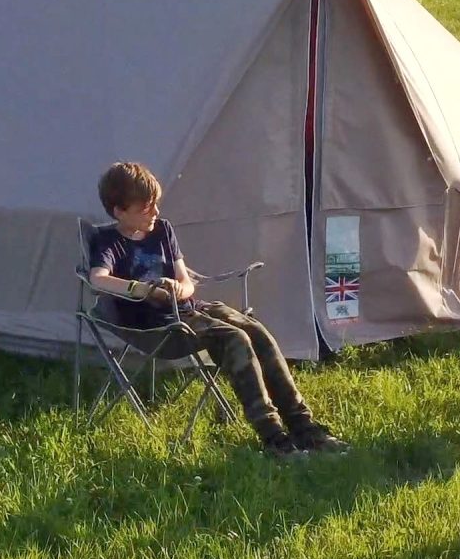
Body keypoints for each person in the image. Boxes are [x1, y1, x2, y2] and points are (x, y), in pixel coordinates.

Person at [86, 160, 348, 458]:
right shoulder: (108, 241)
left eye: (156, 204)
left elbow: (186, 282)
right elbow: (98, 279)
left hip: (188, 309)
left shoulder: (163, 230)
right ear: (120, 211)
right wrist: (144, 290)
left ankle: (304, 427)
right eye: (145, 208)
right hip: (156, 326)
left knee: (256, 332)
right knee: (235, 339)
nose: (155, 212)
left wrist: (176, 288)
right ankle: (273, 437)